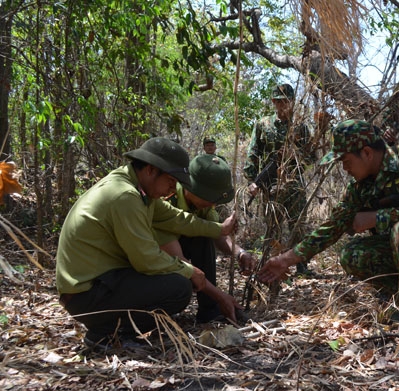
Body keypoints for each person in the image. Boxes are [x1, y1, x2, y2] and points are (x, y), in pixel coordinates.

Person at [257, 119, 399, 316]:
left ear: (367, 153)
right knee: (352, 255)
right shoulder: (359, 187)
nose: (344, 168)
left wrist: (376, 218)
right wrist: (286, 259)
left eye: (346, 160)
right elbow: (333, 227)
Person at [56, 137, 242, 350]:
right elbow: (147, 259)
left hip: (99, 285)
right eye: (171, 181)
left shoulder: (136, 188)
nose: (172, 189)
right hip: (87, 295)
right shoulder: (125, 196)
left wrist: (220, 229)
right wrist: (190, 271)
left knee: (179, 280)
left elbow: (178, 219)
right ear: (152, 170)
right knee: (179, 288)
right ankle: (106, 334)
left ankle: (115, 328)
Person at [157, 153, 257, 322]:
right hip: (157, 259)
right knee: (179, 287)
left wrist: (239, 253)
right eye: (208, 199)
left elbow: (217, 233)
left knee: (202, 238)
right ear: (188, 187)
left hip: (176, 254)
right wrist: (220, 296)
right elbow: (178, 259)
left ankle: (209, 311)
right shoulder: (165, 200)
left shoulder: (202, 204)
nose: (212, 205)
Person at [243, 83, 314, 274]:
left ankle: (301, 266)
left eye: (286, 101)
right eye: (278, 101)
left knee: (298, 225)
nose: (282, 105)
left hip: (294, 183)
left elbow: (311, 157)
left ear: (292, 102)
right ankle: (271, 264)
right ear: (273, 102)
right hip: (270, 184)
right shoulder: (263, 124)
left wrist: (294, 157)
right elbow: (253, 153)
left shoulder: (300, 127)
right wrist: (252, 180)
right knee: (273, 226)